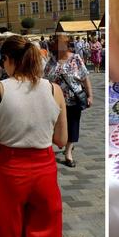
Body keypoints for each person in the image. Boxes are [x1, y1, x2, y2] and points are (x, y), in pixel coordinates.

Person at [0, 35, 67, 237]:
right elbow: (61, 139)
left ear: (7, 60)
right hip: (44, 170)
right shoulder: (54, 89)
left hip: (8, 170)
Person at [45, 34, 93, 167]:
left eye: (61, 44)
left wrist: (90, 96)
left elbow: (85, 78)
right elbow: (45, 79)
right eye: (56, 43)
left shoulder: (75, 58)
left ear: (67, 45)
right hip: (54, 101)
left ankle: (68, 153)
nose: (58, 46)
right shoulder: (52, 60)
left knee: (73, 125)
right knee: (55, 125)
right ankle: (61, 141)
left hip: (73, 99)